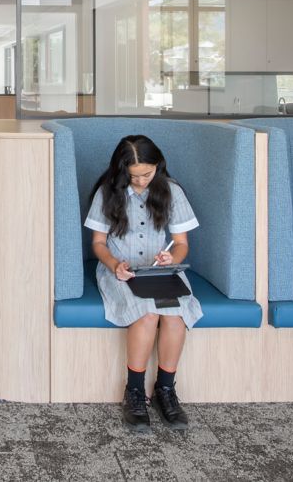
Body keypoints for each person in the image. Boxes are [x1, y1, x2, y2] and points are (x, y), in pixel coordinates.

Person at [84, 134, 202, 433]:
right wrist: (114, 265)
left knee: (174, 315)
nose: (140, 182)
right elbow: (98, 243)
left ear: (157, 167)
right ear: (121, 171)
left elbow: (182, 243)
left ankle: (166, 390)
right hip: (120, 269)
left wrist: (170, 259)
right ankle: (135, 392)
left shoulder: (171, 191)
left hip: (162, 271)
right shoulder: (107, 192)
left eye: (146, 175)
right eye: (133, 176)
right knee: (146, 313)